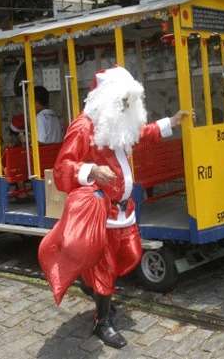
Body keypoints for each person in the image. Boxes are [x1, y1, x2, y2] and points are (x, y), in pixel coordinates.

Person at [38, 66, 189, 349]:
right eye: (122, 101)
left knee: (129, 255)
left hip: (124, 211)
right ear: (106, 99)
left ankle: (94, 287)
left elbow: (139, 133)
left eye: (128, 102)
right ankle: (102, 320)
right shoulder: (84, 126)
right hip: (101, 215)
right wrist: (91, 170)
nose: (126, 107)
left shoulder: (117, 122)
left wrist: (171, 122)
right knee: (105, 269)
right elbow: (61, 169)